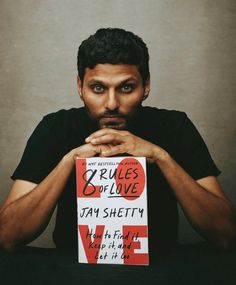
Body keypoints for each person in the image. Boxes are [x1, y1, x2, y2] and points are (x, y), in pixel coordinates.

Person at [0, 28, 235, 256]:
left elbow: (225, 234)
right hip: (72, 273)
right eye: (98, 88)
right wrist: (68, 161)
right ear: (80, 87)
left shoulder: (174, 126)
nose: (112, 103)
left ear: (146, 86)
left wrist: (160, 157)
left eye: (126, 87)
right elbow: (8, 237)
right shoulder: (55, 128)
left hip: (160, 273)